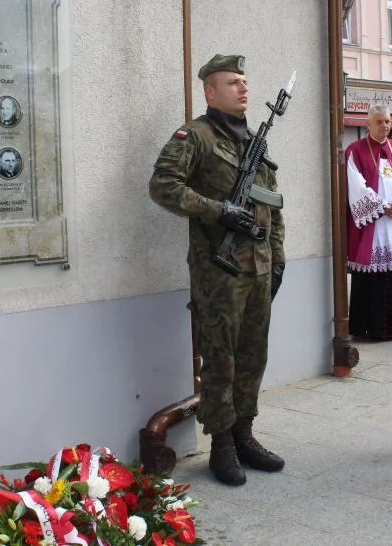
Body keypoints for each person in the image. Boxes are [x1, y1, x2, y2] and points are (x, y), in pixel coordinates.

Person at [149, 54, 285, 486]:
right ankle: (221, 444)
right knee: (221, 359)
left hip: (260, 267)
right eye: (232, 82)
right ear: (211, 91)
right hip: (219, 271)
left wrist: (278, 256)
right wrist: (216, 211)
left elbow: (271, 204)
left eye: (245, 81)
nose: (243, 88)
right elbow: (163, 186)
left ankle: (244, 434)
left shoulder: (253, 141)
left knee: (253, 355)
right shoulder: (197, 136)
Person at [344, 105, 392, 340]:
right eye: (379, 122)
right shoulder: (355, 150)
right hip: (373, 226)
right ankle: (370, 328)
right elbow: (355, 186)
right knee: (370, 280)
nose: (385, 126)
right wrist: (381, 207)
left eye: (387, 121)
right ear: (368, 124)